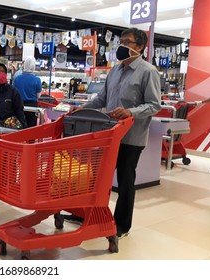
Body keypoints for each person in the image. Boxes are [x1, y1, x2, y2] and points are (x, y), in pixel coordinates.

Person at [69, 28, 162, 238]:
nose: (122, 46)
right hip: (108, 134)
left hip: (131, 137)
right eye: (121, 41)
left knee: (125, 181)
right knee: (97, 178)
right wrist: (81, 108)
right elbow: (101, 99)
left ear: (139, 47)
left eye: (127, 42)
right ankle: (87, 214)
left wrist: (131, 111)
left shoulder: (148, 72)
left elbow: (155, 105)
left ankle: (122, 225)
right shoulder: (115, 70)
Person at [13, 56, 42, 127]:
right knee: (31, 129)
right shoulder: (37, 79)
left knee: (19, 127)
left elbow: (13, 93)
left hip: (19, 105)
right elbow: (39, 96)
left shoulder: (17, 78)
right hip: (32, 107)